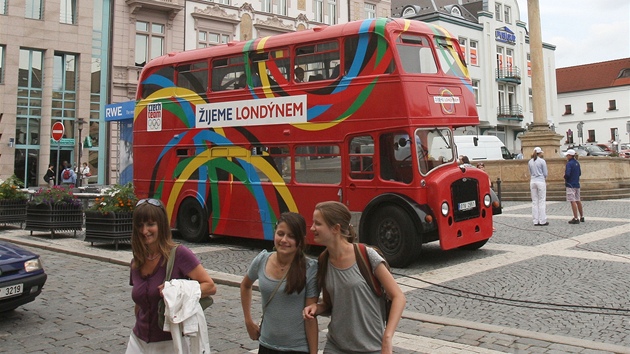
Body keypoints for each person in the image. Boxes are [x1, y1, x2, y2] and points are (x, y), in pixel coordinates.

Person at [303, 201, 406, 354]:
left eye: (318, 224)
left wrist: (387, 337)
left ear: (336, 228)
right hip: (335, 347)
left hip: (371, 348)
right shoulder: (323, 261)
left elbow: (398, 297)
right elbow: (330, 303)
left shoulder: (366, 255)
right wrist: (317, 307)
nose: (312, 228)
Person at [126, 198, 217, 353]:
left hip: (169, 343)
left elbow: (210, 287)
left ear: (161, 225)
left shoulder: (179, 254)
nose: (144, 230)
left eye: (150, 224)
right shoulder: (137, 262)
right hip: (138, 341)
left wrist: (177, 290)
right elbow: (140, 304)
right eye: (140, 225)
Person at [240, 212, 319, 354]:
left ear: (300, 240)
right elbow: (245, 285)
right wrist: (248, 321)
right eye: (280, 233)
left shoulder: (310, 269)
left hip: (297, 349)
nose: (284, 240)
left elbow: (310, 318)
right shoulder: (262, 260)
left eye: (291, 236)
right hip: (266, 345)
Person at [528, 147, 548, 226]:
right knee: (542, 201)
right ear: (540, 153)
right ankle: (542, 220)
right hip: (540, 180)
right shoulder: (542, 161)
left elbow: (530, 172)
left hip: (533, 181)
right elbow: (545, 173)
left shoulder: (530, 161)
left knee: (534, 201)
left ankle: (535, 220)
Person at [564, 149, 585, 224]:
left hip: (570, 184)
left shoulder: (569, 164)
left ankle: (576, 218)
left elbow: (567, 174)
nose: (566, 156)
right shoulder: (577, 163)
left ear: (570, 155)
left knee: (572, 201)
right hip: (576, 183)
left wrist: (565, 178)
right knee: (578, 200)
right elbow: (579, 173)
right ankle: (582, 216)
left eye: (567, 155)